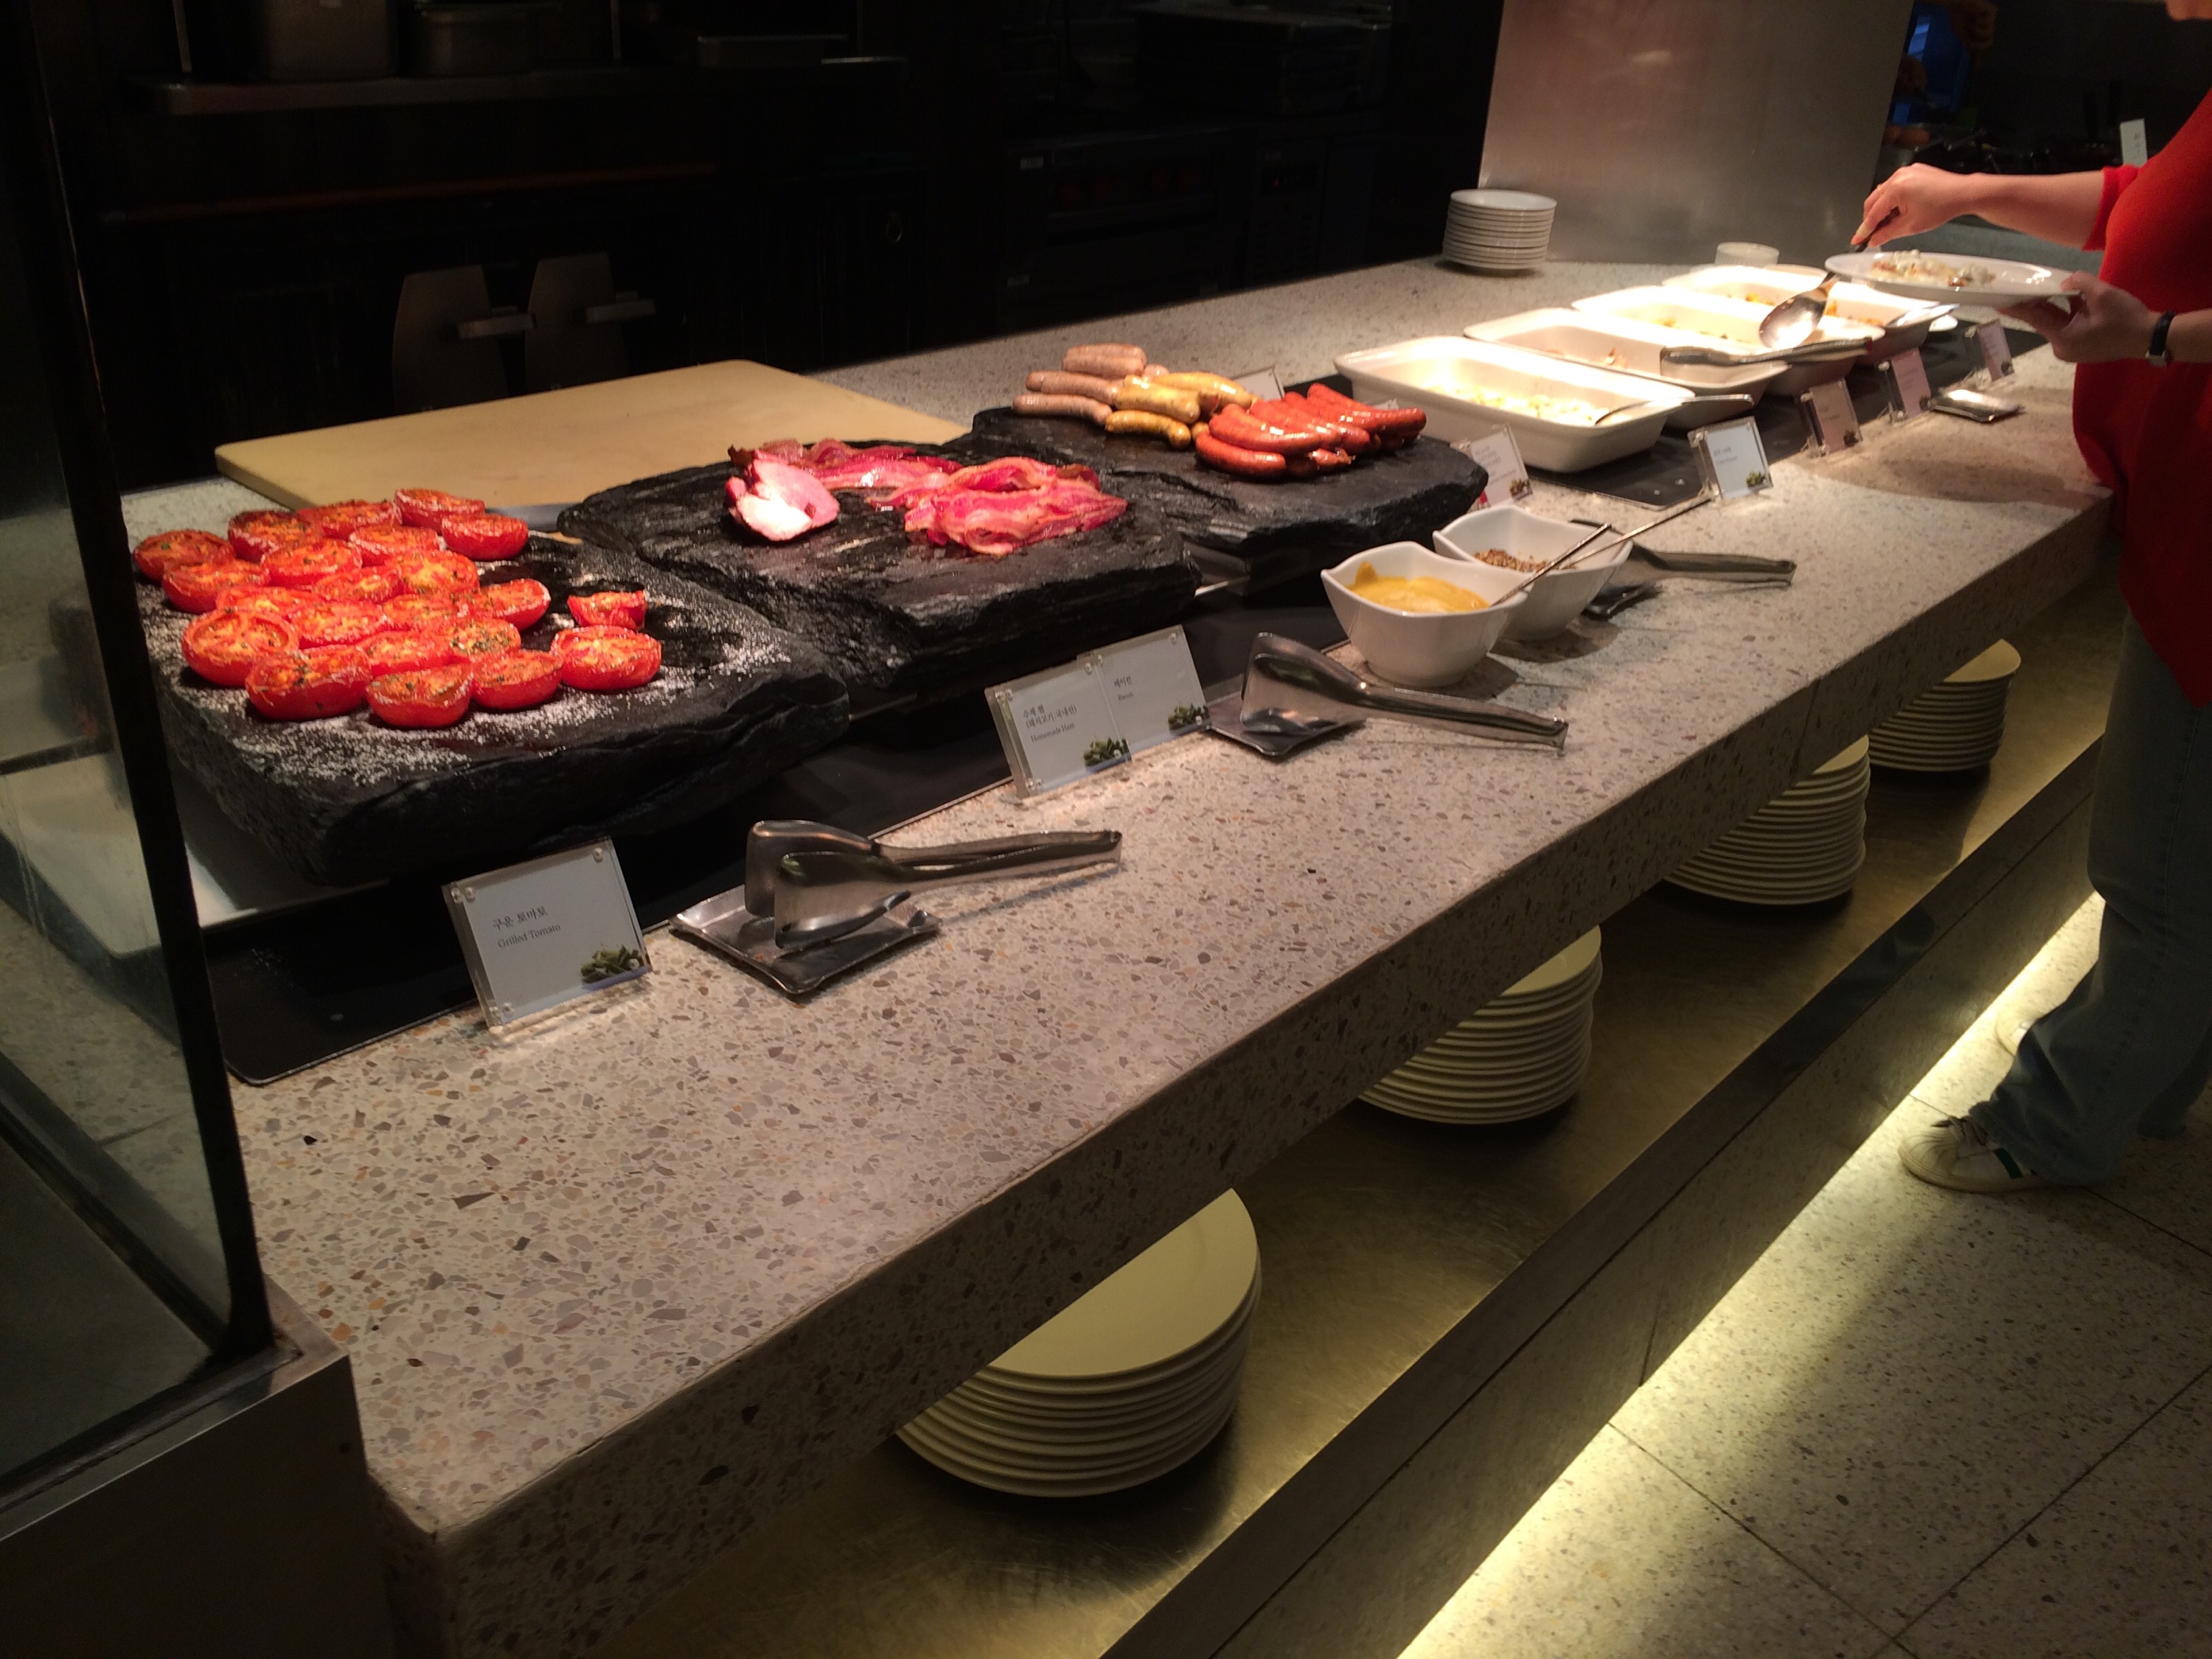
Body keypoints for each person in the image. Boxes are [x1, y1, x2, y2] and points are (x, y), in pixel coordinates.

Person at [1852, 0, 2212, 1193]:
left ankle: (2051, 1124)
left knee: (2161, 865)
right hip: (2181, 508)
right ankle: (2145, 1071)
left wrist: (2155, 336)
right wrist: (1965, 189)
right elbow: (2145, 198)